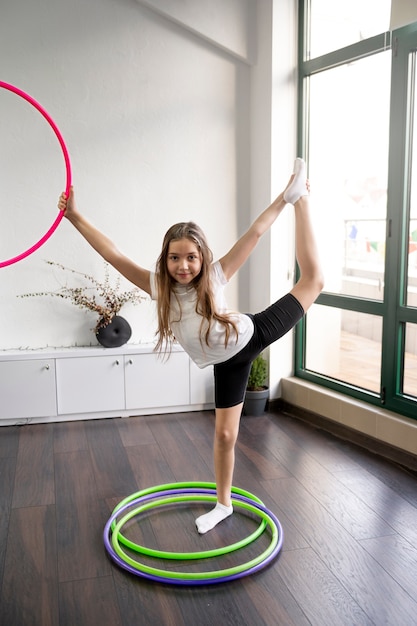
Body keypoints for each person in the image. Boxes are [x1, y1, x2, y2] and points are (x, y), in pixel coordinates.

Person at [58, 158, 323, 534]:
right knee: (225, 435)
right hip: (226, 363)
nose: (183, 265)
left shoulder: (216, 275)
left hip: (252, 334)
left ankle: (302, 201)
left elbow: (256, 231)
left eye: (191, 257)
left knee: (313, 280)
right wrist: (74, 216)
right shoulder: (158, 287)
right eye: (175, 257)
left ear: (203, 257)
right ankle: (224, 504)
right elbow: (113, 254)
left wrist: (283, 199)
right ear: (165, 260)